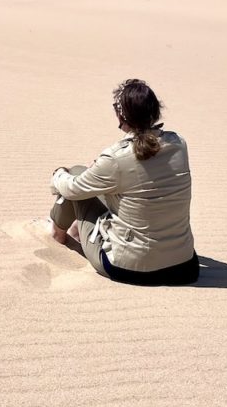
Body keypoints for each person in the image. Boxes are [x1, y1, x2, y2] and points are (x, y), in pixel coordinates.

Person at [49, 79, 199, 285]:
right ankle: (78, 228)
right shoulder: (179, 144)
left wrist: (57, 175)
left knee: (75, 174)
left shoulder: (116, 159)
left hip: (129, 268)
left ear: (122, 116)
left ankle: (58, 235)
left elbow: (72, 188)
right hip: (184, 266)